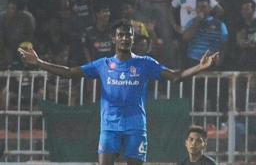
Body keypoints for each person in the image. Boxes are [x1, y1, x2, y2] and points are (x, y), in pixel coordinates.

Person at [18, 19, 219, 165]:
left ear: (133, 39)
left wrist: (200, 67)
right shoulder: (102, 64)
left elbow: (175, 77)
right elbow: (69, 73)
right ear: (114, 38)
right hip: (110, 127)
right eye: (121, 35)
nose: (125, 38)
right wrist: (39, 63)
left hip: (136, 128)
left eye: (128, 35)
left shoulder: (144, 63)